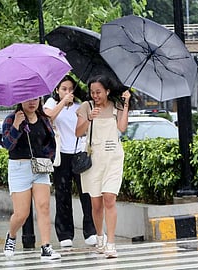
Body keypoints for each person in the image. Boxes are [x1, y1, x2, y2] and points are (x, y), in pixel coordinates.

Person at [75, 75, 131, 259]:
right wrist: (89, 119)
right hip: (94, 159)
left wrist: (127, 103)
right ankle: (100, 237)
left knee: (109, 198)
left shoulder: (117, 106)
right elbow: (78, 132)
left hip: (113, 158)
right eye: (92, 92)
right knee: (96, 204)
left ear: (107, 91)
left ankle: (111, 242)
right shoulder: (86, 107)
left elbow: (122, 128)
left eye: (98, 92)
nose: (95, 95)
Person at [2, 97, 61, 260]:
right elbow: (7, 145)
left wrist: (47, 157)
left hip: (40, 168)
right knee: (21, 214)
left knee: (44, 207)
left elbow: (50, 142)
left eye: (35, 98)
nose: (32, 102)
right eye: (27, 99)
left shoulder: (43, 119)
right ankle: (12, 235)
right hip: (19, 168)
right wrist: (16, 126)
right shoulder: (11, 119)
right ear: (20, 101)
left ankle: (46, 246)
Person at [43, 75, 97, 248]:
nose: (67, 92)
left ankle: (91, 231)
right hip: (62, 155)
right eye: (63, 89)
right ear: (57, 90)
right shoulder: (51, 104)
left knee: (86, 194)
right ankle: (65, 234)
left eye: (70, 89)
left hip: (79, 153)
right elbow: (48, 117)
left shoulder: (80, 106)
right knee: (62, 195)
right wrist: (62, 102)